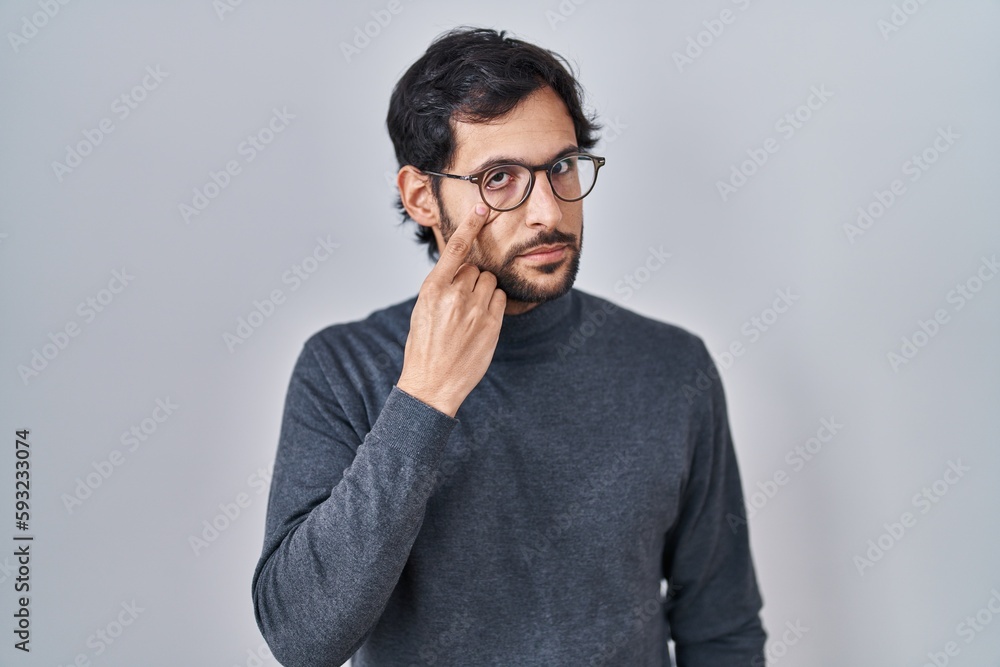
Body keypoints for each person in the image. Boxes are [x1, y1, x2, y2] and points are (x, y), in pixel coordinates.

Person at [251, 26, 766, 666]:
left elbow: (721, 628)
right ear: (422, 197)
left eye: (560, 167)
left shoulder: (671, 367)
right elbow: (301, 638)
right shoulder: (342, 368)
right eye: (499, 178)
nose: (548, 211)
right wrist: (424, 397)